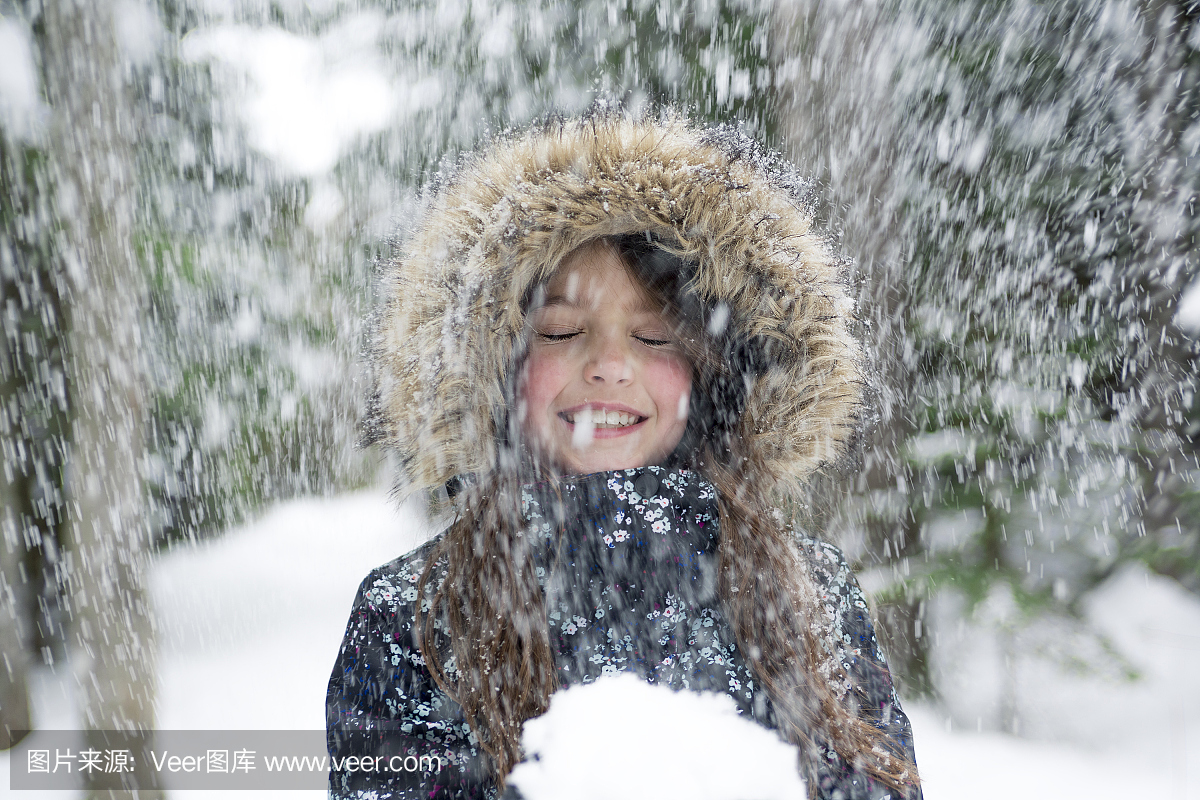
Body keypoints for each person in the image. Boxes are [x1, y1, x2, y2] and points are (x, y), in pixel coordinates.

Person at [326, 113, 922, 800]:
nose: (609, 365)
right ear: (496, 367)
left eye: (656, 336)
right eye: (559, 330)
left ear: (713, 372)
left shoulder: (808, 589)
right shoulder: (411, 615)